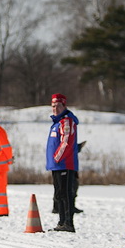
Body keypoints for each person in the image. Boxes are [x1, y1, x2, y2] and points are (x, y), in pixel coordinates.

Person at [46, 93, 79, 233]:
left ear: (64, 106)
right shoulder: (56, 123)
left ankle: (68, 223)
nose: (55, 108)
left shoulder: (67, 121)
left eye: (58, 106)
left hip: (64, 164)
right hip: (56, 165)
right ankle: (61, 222)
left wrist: (57, 158)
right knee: (59, 194)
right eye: (53, 106)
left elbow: (66, 142)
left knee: (65, 194)